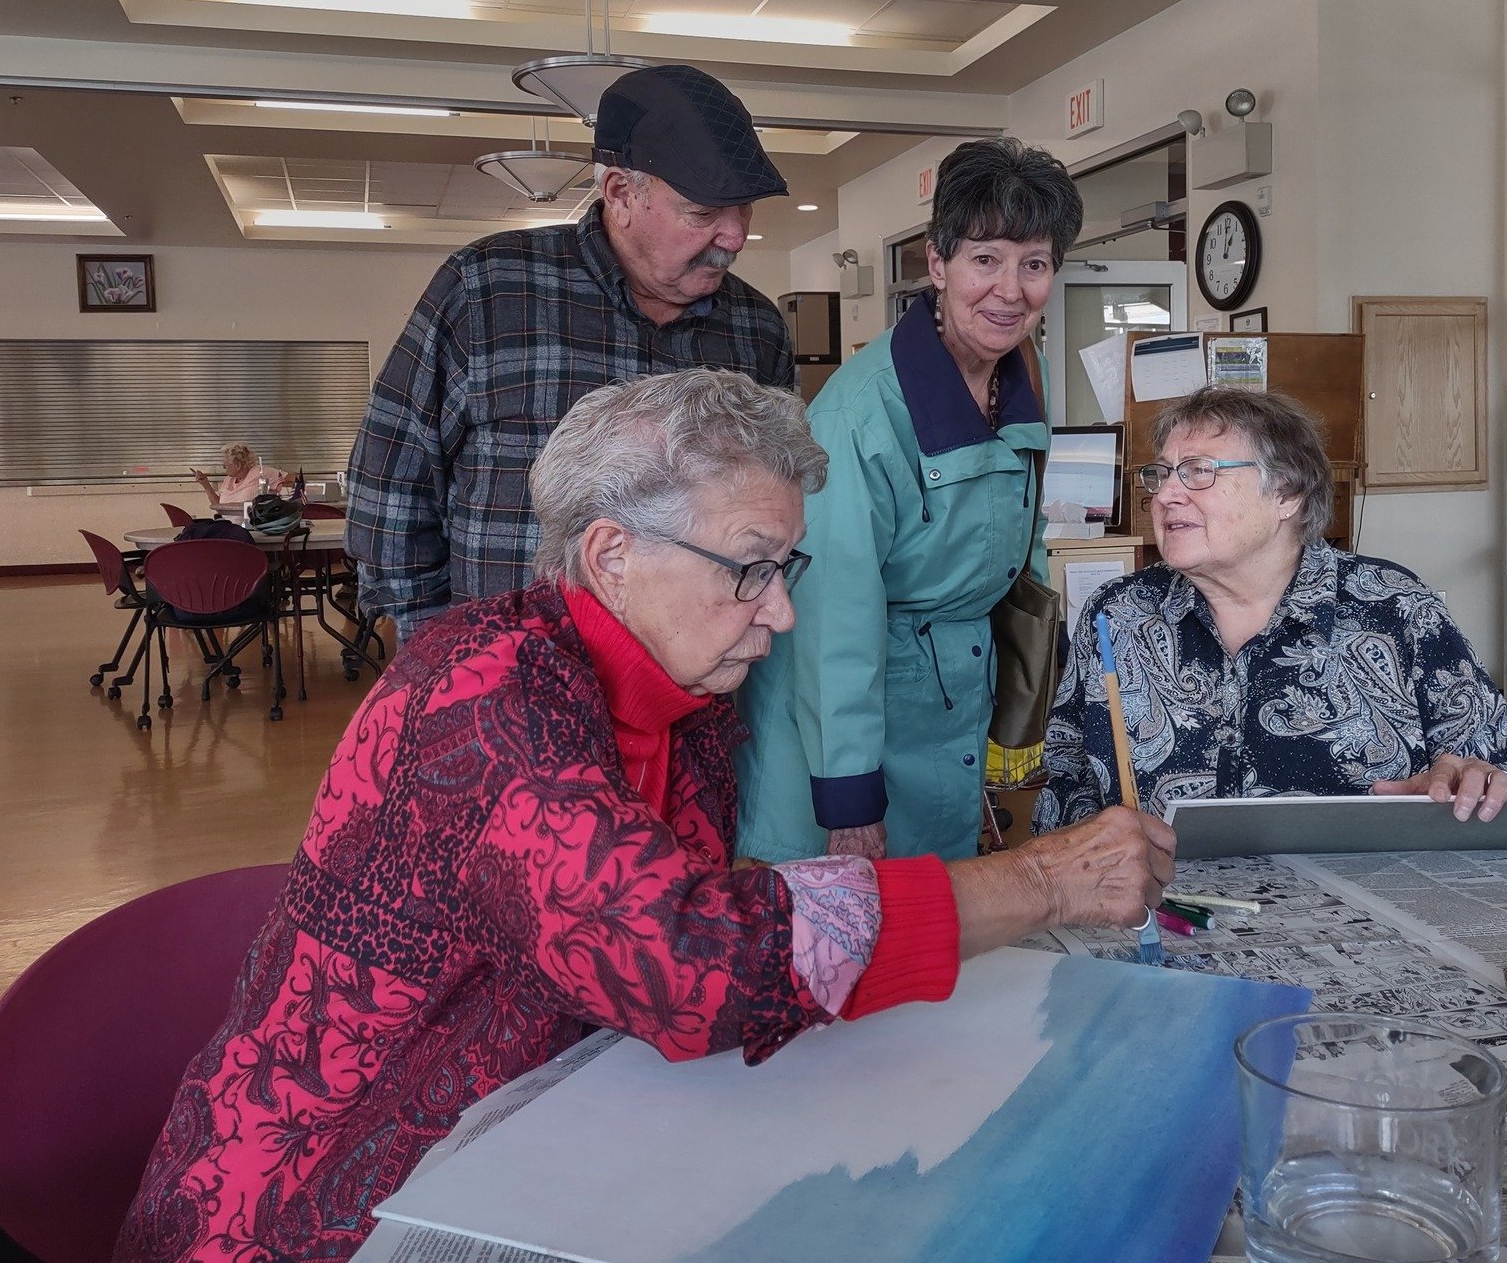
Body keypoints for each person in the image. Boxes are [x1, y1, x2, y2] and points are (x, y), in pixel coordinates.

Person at [115, 370, 1174, 1263]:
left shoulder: (685, 702)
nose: (783, 610)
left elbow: (700, 930)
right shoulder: (484, 701)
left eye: (786, 567)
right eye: (750, 569)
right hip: (324, 1205)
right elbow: (690, 962)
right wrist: (1038, 882)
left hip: (519, 1146)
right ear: (612, 554)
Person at [344, 64, 796, 639]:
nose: (734, 236)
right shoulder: (487, 290)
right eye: (704, 213)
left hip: (692, 694)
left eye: (744, 208)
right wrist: (440, 651)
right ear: (620, 194)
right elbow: (390, 485)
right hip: (507, 683)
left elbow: (778, 513)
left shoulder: (756, 331)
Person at [737, 137, 1081, 865]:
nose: (1010, 289)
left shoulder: (1026, 369)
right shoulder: (857, 416)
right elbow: (833, 622)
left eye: (1035, 264)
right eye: (984, 259)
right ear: (937, 264)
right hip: (845, 715)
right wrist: (850, 800)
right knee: (849, 941)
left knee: (949, 934)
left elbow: (1025, 541)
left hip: (956, 699)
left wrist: (1019, 710)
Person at [1035, 387, 1507, 832]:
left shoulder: (1395, 608)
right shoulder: (1119, 614)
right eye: (1163, 474)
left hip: (1356, 923)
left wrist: (1471, 780)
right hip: (1162, 917)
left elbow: (1505, 776)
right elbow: (1067, 781)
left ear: (1287, 492)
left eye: (1198, 473)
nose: (1165, 495)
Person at [191, 443, 288, 506]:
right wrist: (206, 485)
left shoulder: (260, 471)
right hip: (229, 527)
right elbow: (218, 507)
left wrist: (278, 492)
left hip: (254, 527)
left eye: (225, 464)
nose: (224, 467)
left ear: (237, 465)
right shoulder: (228, 480)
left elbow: (296, 481)